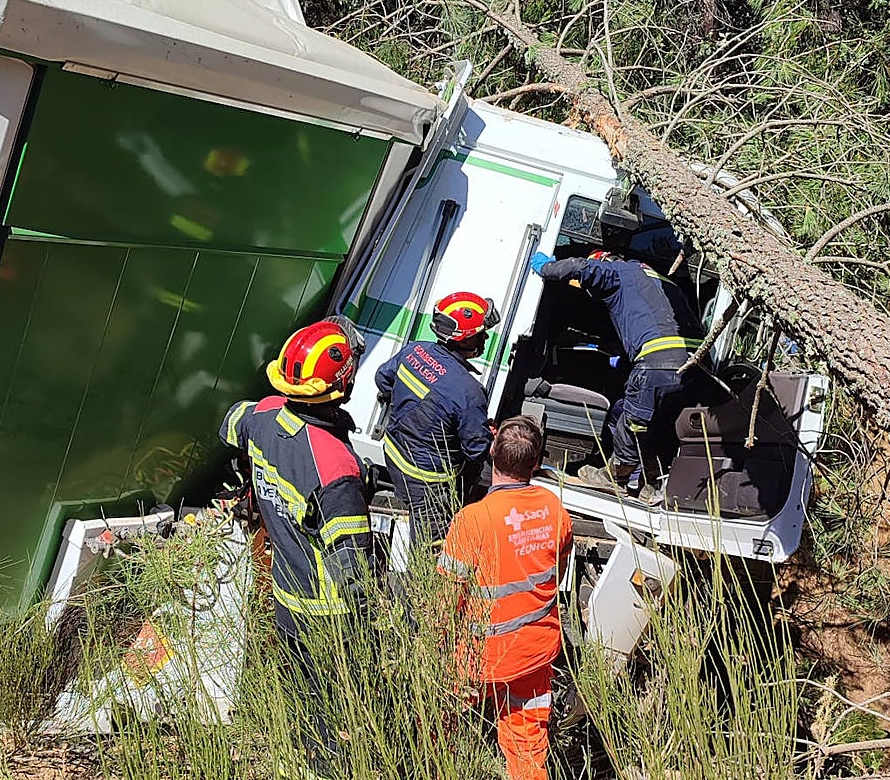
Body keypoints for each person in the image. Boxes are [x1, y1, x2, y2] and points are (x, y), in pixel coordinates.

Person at [219, 316, 373, 777]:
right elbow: (352, 570)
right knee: (334, 706)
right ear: (339, 385)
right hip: (327, 610)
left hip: (286, 592)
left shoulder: (262, 415)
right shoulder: (334, 467)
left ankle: (306, 755)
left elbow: (230, 425)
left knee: (303, 693)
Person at [437, 416, 573, 780]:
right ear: (537, 462)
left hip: (480, 657)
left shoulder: (474, 519)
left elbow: (445, 602)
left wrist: (431, 649)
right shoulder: (554, 509)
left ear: (492, 452)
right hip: (535, 650)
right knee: (527, 748)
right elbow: (555, 572)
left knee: (435, 725)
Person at [530, 249, 705, 498]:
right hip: (692, 369)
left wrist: (546, 268)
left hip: (656, 367)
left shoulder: (618, 271)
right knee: (654, 424)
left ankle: (614, 478)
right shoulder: (663, 283)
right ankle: (652, 484)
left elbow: (582, 268)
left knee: (632, 422)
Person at [374, 291, 499, 546]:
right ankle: (417, 583)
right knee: (431, 548)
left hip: (395, 455)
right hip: (429, 482)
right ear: (464, 340)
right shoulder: (469, 392)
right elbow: (476, 450)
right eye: (480, 332)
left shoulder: (414, 350)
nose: (485, 336)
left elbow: (383, 379)